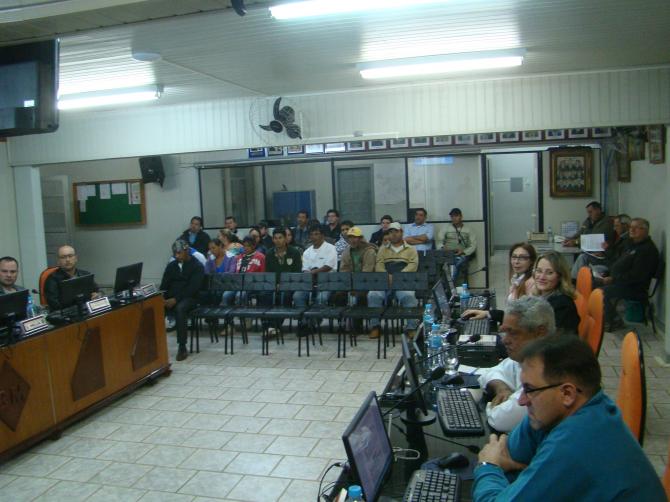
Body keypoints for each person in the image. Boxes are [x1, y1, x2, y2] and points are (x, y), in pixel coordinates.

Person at [473, 336, 665, 501]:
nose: (522, 400)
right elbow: (508, 452)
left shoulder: (579, 440)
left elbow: (496, 459)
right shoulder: (566, 410)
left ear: (567, 394)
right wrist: (522, 468)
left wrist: (488, 466)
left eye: (529, 389)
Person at [477, 296, 556, 432]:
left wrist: (492, 407)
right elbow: (489, 372)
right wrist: (502, 388)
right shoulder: (527, 356)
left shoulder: (549, 370)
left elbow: (500, 420)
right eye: (504, 332)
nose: (505, 341)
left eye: (513, 333)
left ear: (540, 333)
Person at [464, 251, 579, 335]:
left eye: (549, 273)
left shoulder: (562, 305)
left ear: (560, 276)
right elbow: (521, 319)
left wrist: (510, 333)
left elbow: (549, 344)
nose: (542, 277)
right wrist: (489, 314)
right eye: (539, 271)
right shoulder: (542, 296)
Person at [600, 218, 659, 330]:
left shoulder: (647, 250)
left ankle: (615, 321)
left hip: (635, 288)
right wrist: (608, 274)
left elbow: (636, 276)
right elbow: (618, 262)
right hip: (621, 281)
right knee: (593, 282)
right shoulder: (631, 244)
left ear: (645, 231)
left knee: (602, 292)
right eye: (631, 227)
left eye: (636, 227)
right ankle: (598, 316)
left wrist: (613, 279)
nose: (631, 230)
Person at [367, 222, 419, 339]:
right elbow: (379, 265)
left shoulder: (411, 249)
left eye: (396, 231)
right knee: (373, 295)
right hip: (385, 281)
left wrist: (397, 277)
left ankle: (411, 328)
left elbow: (413, 266)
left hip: (403, 282)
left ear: (401, 232)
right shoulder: (383, 249)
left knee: (409, 296)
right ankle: (375, 326)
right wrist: (387, 276)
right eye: (391, 232)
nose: (393, 234)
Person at [159, 239, 205, 361]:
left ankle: (182, 347)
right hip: (171, 298)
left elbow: (192, 288)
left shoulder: (197, 266)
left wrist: (175, 299)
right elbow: (164, 285)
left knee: (180, 309)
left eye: (179, 253)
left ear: (187, 251)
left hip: (190, 298)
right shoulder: (171, 266)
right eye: (175, 253)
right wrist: (162, 299)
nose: (176, 256)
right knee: (154, 308)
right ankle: (155, 345)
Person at [44, 245, 100, 310]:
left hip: (87, 311)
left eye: (70, 256)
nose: (67, 260)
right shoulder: (52, 280)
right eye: (63, 257)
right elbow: (55, 305)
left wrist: (97, 295)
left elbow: (98, 291)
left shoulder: (85, 274)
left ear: (76, 258)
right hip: (66, 314)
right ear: (58, 261)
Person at [293, 225, 337, 308]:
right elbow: (305, 270)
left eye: (316, 234)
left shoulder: (331, 248)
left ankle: (317, 316)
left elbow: (328, 266)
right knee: (297, 296)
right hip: (310, 282)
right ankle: (304, 315)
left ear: (322, 236)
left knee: (321, 298)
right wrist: (309, 273)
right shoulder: (307, 252)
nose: (313, 237)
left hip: (327, 282)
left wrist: (313, 272)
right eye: (311, 234)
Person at [442, 208, 477, 282]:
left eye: (456, 216)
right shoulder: (446, 228)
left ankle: (451, 283)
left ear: (461, 216)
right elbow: (439, 241)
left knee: (458, 261)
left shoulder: (468, 229)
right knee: (453, 261)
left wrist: (463, 251)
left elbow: (473, 245)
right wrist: (443, 248)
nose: (454, 218)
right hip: (448, 254)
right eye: (452, 216)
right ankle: (451, 282)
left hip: (462, 254)